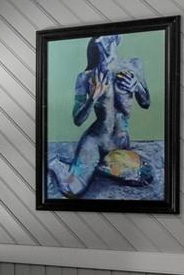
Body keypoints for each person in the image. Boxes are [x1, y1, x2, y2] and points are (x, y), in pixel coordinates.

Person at [48, 33, 153, 198]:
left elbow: (146, 103)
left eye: (110, 39)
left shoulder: (133, 65)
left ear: (117, 40)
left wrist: (138, 87)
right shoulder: (86, 77)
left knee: (146, 176)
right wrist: (93, 97)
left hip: (120, 143)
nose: (106, 44)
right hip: (95, 142)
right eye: (101, 41)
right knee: (72, 189)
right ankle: (56, 164)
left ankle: (95, 167)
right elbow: (77, 119)